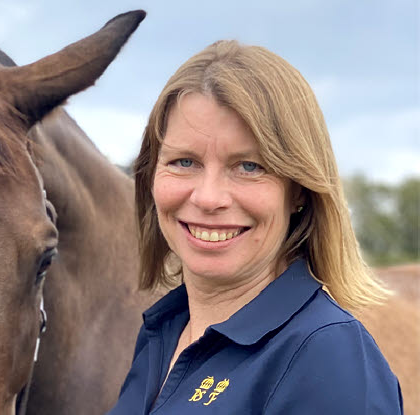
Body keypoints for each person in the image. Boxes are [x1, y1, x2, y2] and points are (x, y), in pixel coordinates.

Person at [108, 40, 403, 414]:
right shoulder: (163, 333)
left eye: (249, 166)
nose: (208, 197)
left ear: (299, 190)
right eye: (184, 162)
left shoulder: (329, 357)